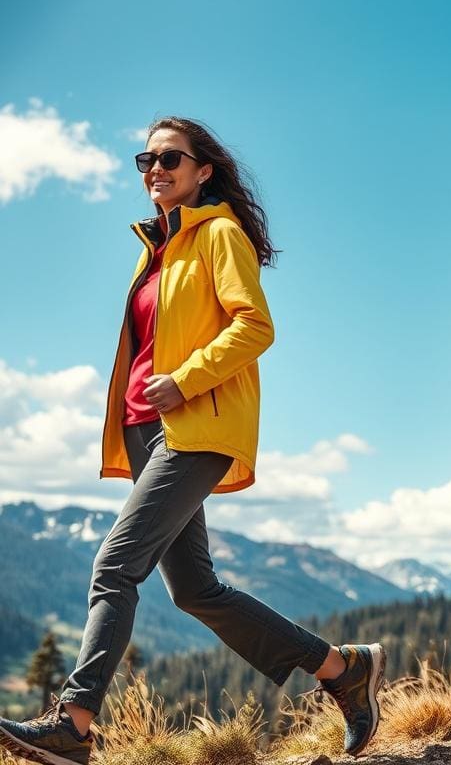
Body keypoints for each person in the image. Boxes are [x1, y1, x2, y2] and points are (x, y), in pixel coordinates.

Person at [0, 117, 384, 765]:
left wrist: (186, 379)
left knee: (114, 567)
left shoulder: (219, 234)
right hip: (149, 426)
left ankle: (75, 721)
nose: (155, 169)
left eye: (169, 158)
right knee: (195, 590)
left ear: (203, 169)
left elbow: (255, 326)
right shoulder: (157, 247)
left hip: (196, 424)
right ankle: (340, 669)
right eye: (144, 159)